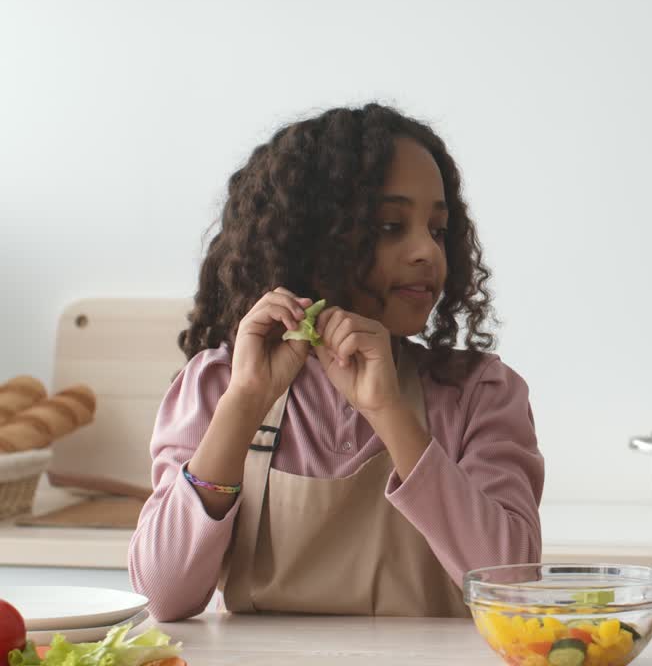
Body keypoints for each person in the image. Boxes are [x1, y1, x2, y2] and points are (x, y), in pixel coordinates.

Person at [129, 103, 544, 620]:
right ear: (311, 237)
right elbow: (164, 597)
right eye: (392, 226)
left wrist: (389, 411)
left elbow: (512, 586)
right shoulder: (218, 386)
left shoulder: (480, 392)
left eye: (437, 229)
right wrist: (244, 403)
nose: (426, 252)